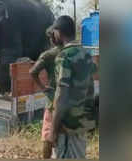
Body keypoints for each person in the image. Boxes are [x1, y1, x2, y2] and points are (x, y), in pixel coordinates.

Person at [50, 16, 96, 159]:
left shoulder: (64, 57)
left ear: (58, 32)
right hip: (82, 122)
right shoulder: (86, 54)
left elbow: (61, 96)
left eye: (54, 32)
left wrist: (53, 129)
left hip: (68, 125)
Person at [29, 26, 63, 159]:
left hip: (53, 100)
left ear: (52, 38)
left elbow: (32, 72)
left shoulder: (49, 55)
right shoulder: (71, 52)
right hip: (70, 101)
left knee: (48, 134)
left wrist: (43, 88)